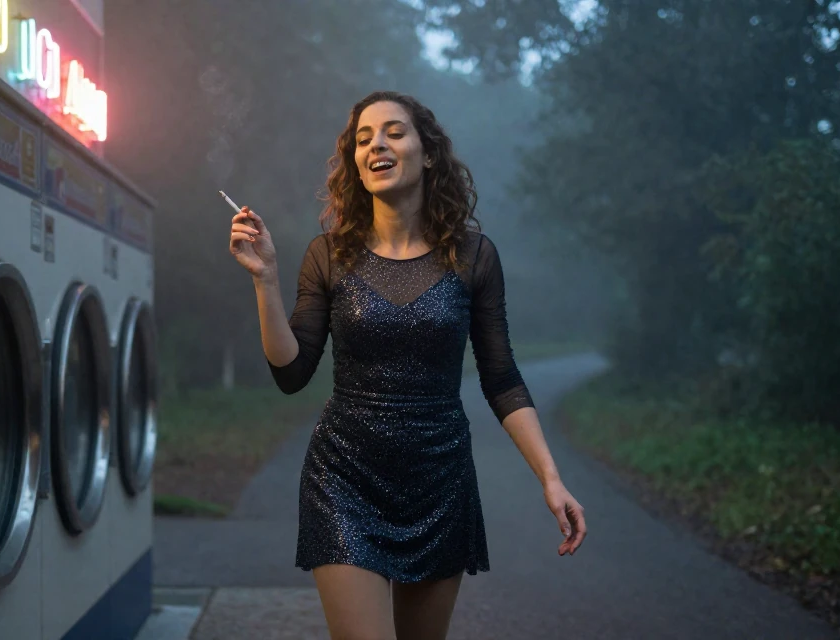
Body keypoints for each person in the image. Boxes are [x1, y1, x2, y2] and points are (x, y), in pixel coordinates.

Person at [227, 90, 587, 639]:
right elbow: (290, 371)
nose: (377, 144)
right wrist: (265, 280)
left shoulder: (474, 257)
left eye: (394, 131)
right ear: (355, 162)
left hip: (439, 480)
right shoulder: (328, 254)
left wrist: (551, 478)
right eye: (364, 138)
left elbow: (502, 379)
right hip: (343, 479)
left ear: (427, 151)